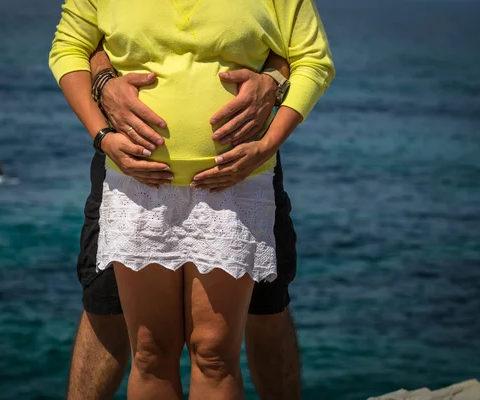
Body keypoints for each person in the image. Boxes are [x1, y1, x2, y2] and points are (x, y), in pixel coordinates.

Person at [49, 1, 334, 398]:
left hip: (236, 185)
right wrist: (102, 134)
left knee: (215, 351)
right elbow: (69, 48)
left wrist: (268, 142)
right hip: (136, 185)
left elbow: (312, 59)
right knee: (149, 350)